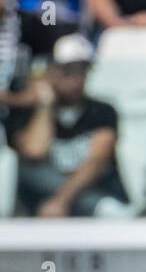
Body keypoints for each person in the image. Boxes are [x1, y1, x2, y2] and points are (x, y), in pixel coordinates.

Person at [14, 33, 128, 217]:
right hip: (40, 206)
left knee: (107, 210)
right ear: (51, 71)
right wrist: (45, 104)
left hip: (92, 201)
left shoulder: (102, 111)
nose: (76, 79)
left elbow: (97, 161)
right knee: (32, 171)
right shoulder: (29, 113)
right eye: (68, 71)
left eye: (82, 70)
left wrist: (61, 201)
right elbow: (34, 151)